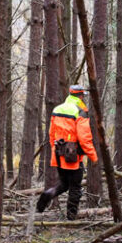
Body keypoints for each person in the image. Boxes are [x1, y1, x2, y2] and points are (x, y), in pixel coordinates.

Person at [36, 84, 99, 219]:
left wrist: (56, 150)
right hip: (72, 157)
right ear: (80, 96)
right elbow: (84, 138)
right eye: (83, 96)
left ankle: (48, 194)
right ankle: (71, 216)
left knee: (64, 184)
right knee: (75, 187)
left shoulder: (57, 109)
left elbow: (51, 134)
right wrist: (93, 157)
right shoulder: (80, 111)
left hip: (59, 154)